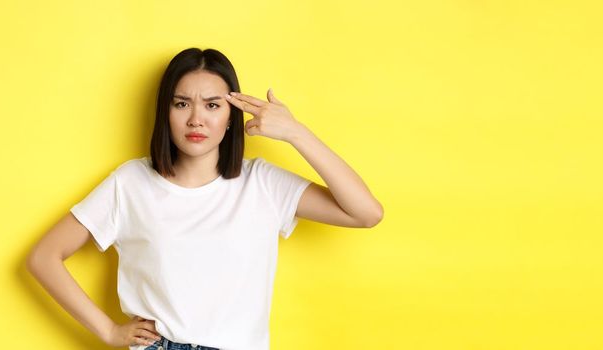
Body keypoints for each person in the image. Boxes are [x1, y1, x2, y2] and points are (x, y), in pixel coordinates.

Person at [26, 48, 383, 350]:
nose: (196, 119)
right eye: (182, 104)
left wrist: (295, 133)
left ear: (231, 117)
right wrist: (108, 330)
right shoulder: (131, 182)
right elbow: (44, 257)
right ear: (165, 111)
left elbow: (366, 213)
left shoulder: (262, 183)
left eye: (212, 105)